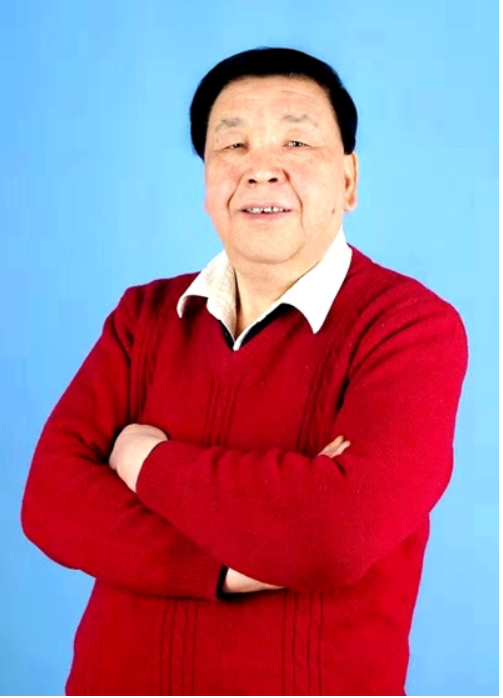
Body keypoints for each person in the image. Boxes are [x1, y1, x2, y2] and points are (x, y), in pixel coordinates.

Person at [21, 47, 468, 696]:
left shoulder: (409, 326)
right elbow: (50, 503)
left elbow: (335, 534)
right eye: (232, 145)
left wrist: (142, 460)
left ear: (348, 180)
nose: (260, 169)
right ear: (206, 182)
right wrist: (228, 568)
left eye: (296, 142)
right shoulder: (144, 316)